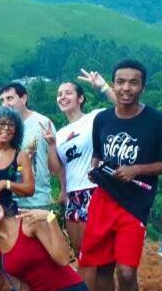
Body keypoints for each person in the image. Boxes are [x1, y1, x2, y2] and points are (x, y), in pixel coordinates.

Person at [78, 59, 162, 291]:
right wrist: (97, 169)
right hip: (103, 200)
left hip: (134, 205)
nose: (126, 88)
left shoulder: (158, 122)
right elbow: (98, 153)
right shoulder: (103, 119)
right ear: (113, 82)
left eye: (133, 82)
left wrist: (136, 169)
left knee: (127, 273)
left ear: (142, 86)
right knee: (103, 268)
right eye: (120, 81)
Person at [49, 72, 118, 261]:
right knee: (81, 254)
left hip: (95, 190)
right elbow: (58, 169)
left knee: (100, 256)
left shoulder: (95, 117)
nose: (63, 97)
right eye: (59, 94)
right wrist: (51, 145)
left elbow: (122, 106)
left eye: (68, 93)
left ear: (80, 98)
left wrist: (103, 87)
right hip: (73, 194)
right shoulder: (61, 134)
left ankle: (102, 290)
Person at [0, 82, 57, 211]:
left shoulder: (43, 123)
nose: (5, 104)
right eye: (2, 100)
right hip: (8, 202)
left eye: (10, 98)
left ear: (23, 98)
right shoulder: (2, 129)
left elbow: (55, 166)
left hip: (38, 201)